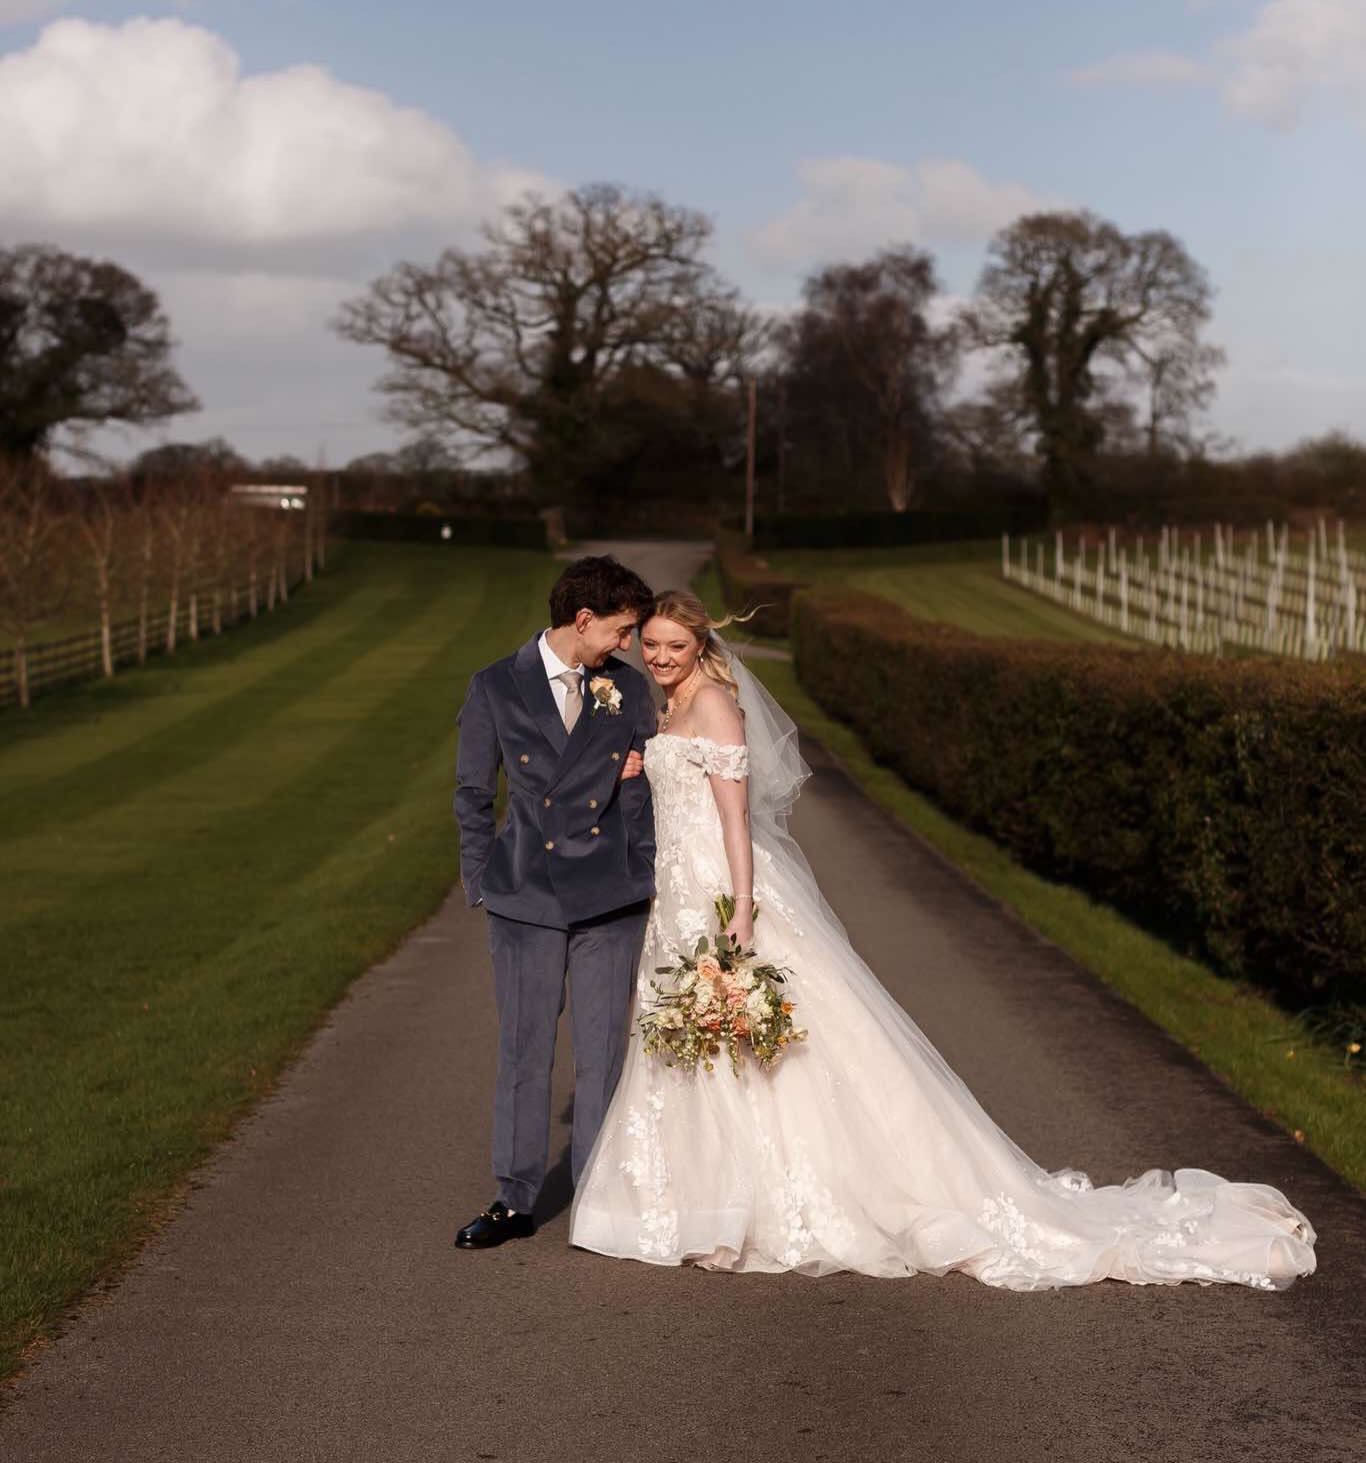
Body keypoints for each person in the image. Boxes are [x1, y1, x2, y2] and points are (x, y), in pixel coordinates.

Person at [569, 589, 1317, 1289]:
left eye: (674, 646)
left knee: (756, 1036)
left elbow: (736, 820)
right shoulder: (666, 709)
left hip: (720, 891)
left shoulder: (716, 707)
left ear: (702, 645)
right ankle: (698, 1199)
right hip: (676, 895)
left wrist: (740, 908)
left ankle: (752, 1200)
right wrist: (643, 765)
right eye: (653, 646)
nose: (659, 656)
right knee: (690, 1037)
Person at [451, 555, 655, 1249]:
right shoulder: (494, 687)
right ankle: (513, 1199)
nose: (629, 645)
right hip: (525, 896)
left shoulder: (629, 691)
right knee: (524, 1050)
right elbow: (474, 793)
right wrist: (481, 878)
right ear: (584, 618)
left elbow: (649, 791)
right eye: (623, 630)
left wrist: (644, 868)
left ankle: (597, 1197)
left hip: (610, 896)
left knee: (602, 1056)